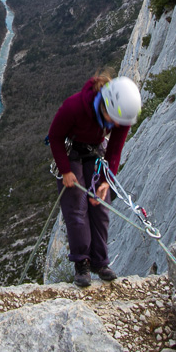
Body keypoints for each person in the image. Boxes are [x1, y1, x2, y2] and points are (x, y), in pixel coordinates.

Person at [48, 71, 141, 288]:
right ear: (105, 105)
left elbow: (115, 149)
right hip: (72, 151)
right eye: (114, 119)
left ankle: (100, 262)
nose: (116, 125)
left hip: (96, 152)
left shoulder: (122, 116)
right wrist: (66, 170)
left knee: (101, 205)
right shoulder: (75, 107)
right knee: (77, 207)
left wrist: (106, 180)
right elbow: (55, 136)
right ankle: (82, 263)